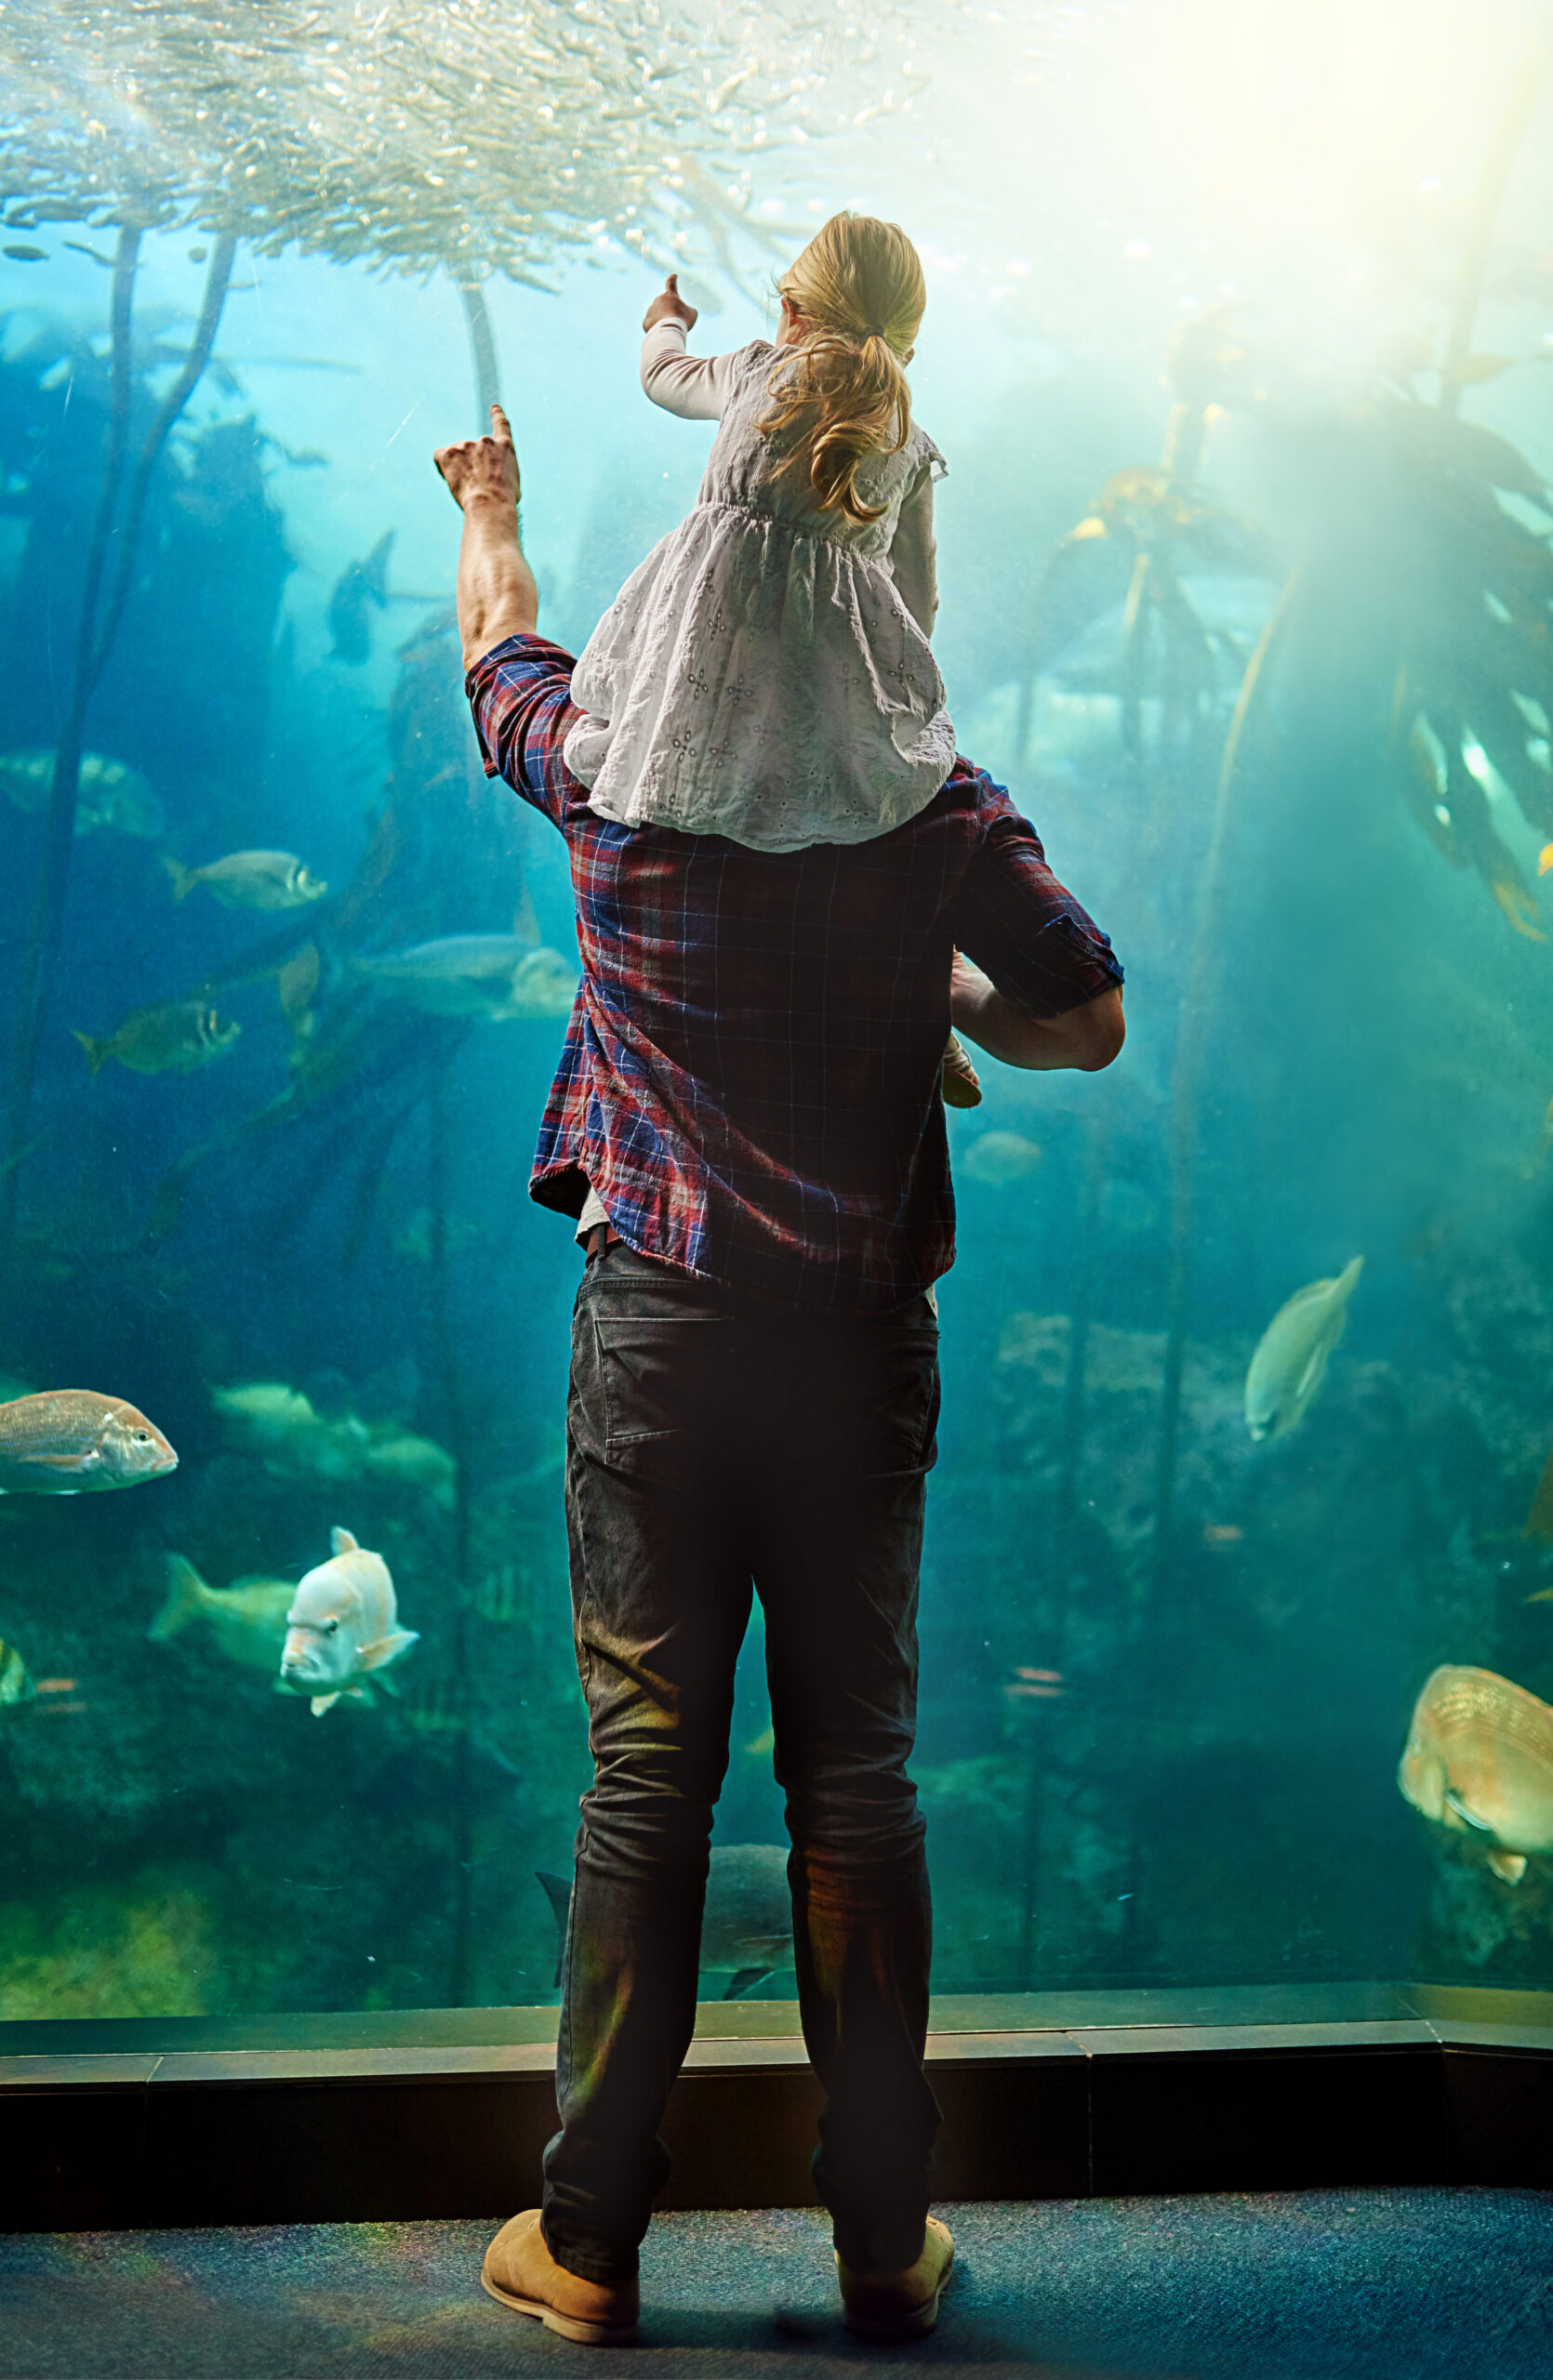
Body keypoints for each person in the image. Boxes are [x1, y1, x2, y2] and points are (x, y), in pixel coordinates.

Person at [433, 395, 1124, 2348]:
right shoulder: (938, 814)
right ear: (863, 618)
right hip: (852, 1353)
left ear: (692, 589)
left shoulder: (602, 774)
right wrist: (944, 989)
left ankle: (585, 2239)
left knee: (644, 1773)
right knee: (858, 1782)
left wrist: (488, 497)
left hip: (657, 1332)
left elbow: (495, 638)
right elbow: (1090, 1018)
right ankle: (882, 2242)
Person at [566, 209, 981, 1106]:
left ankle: (669, 999)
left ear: (795, 303)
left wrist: (661, 320)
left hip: (704, 668)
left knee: (679, 816)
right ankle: (926, 998)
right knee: (864, 831)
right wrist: (889, 694)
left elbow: (664, 379)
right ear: (905, 339)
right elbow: (918, 595)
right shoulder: (908, 438)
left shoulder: (757, 370)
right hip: (820, 690)